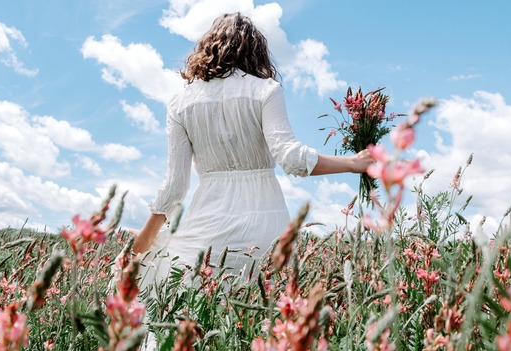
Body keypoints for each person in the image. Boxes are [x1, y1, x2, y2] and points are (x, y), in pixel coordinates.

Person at [133, 12, 373, 278]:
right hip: (265, 224)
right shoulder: (265, 90)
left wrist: (142, 244)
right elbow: (291, 158)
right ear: (256, 51)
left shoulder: (180, 103)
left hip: (205, 226)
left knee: (196, 312)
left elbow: (175, 186)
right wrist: (354, 164)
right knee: (263, 313)